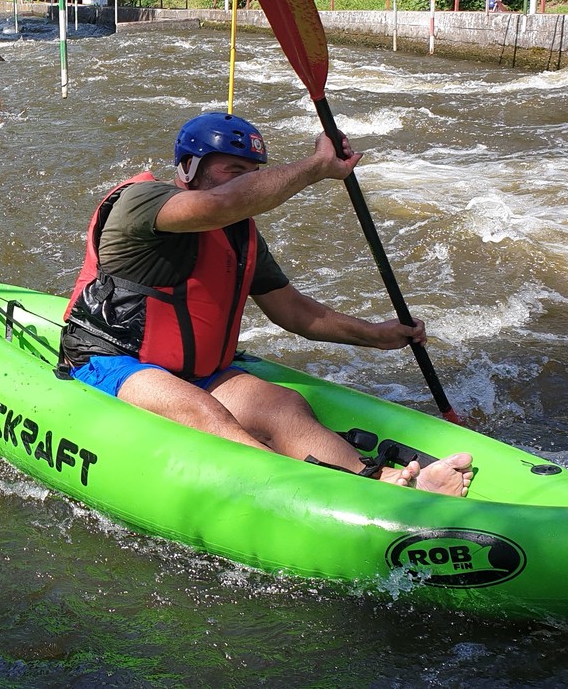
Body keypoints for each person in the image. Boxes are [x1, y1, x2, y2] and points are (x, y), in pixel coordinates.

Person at [58, 112, 473, 496]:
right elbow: (222, 203)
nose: (245, 182)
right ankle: (301, 494)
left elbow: (294, 311)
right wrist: (316, 167)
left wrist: (378, 336)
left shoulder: (239, 237)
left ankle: (385, 482)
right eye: (232, 170)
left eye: (252, 174)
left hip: (198, 371)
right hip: (113, 359)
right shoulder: (142, 201)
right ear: (187, 168)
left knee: (284, 406)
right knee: (205, 412)